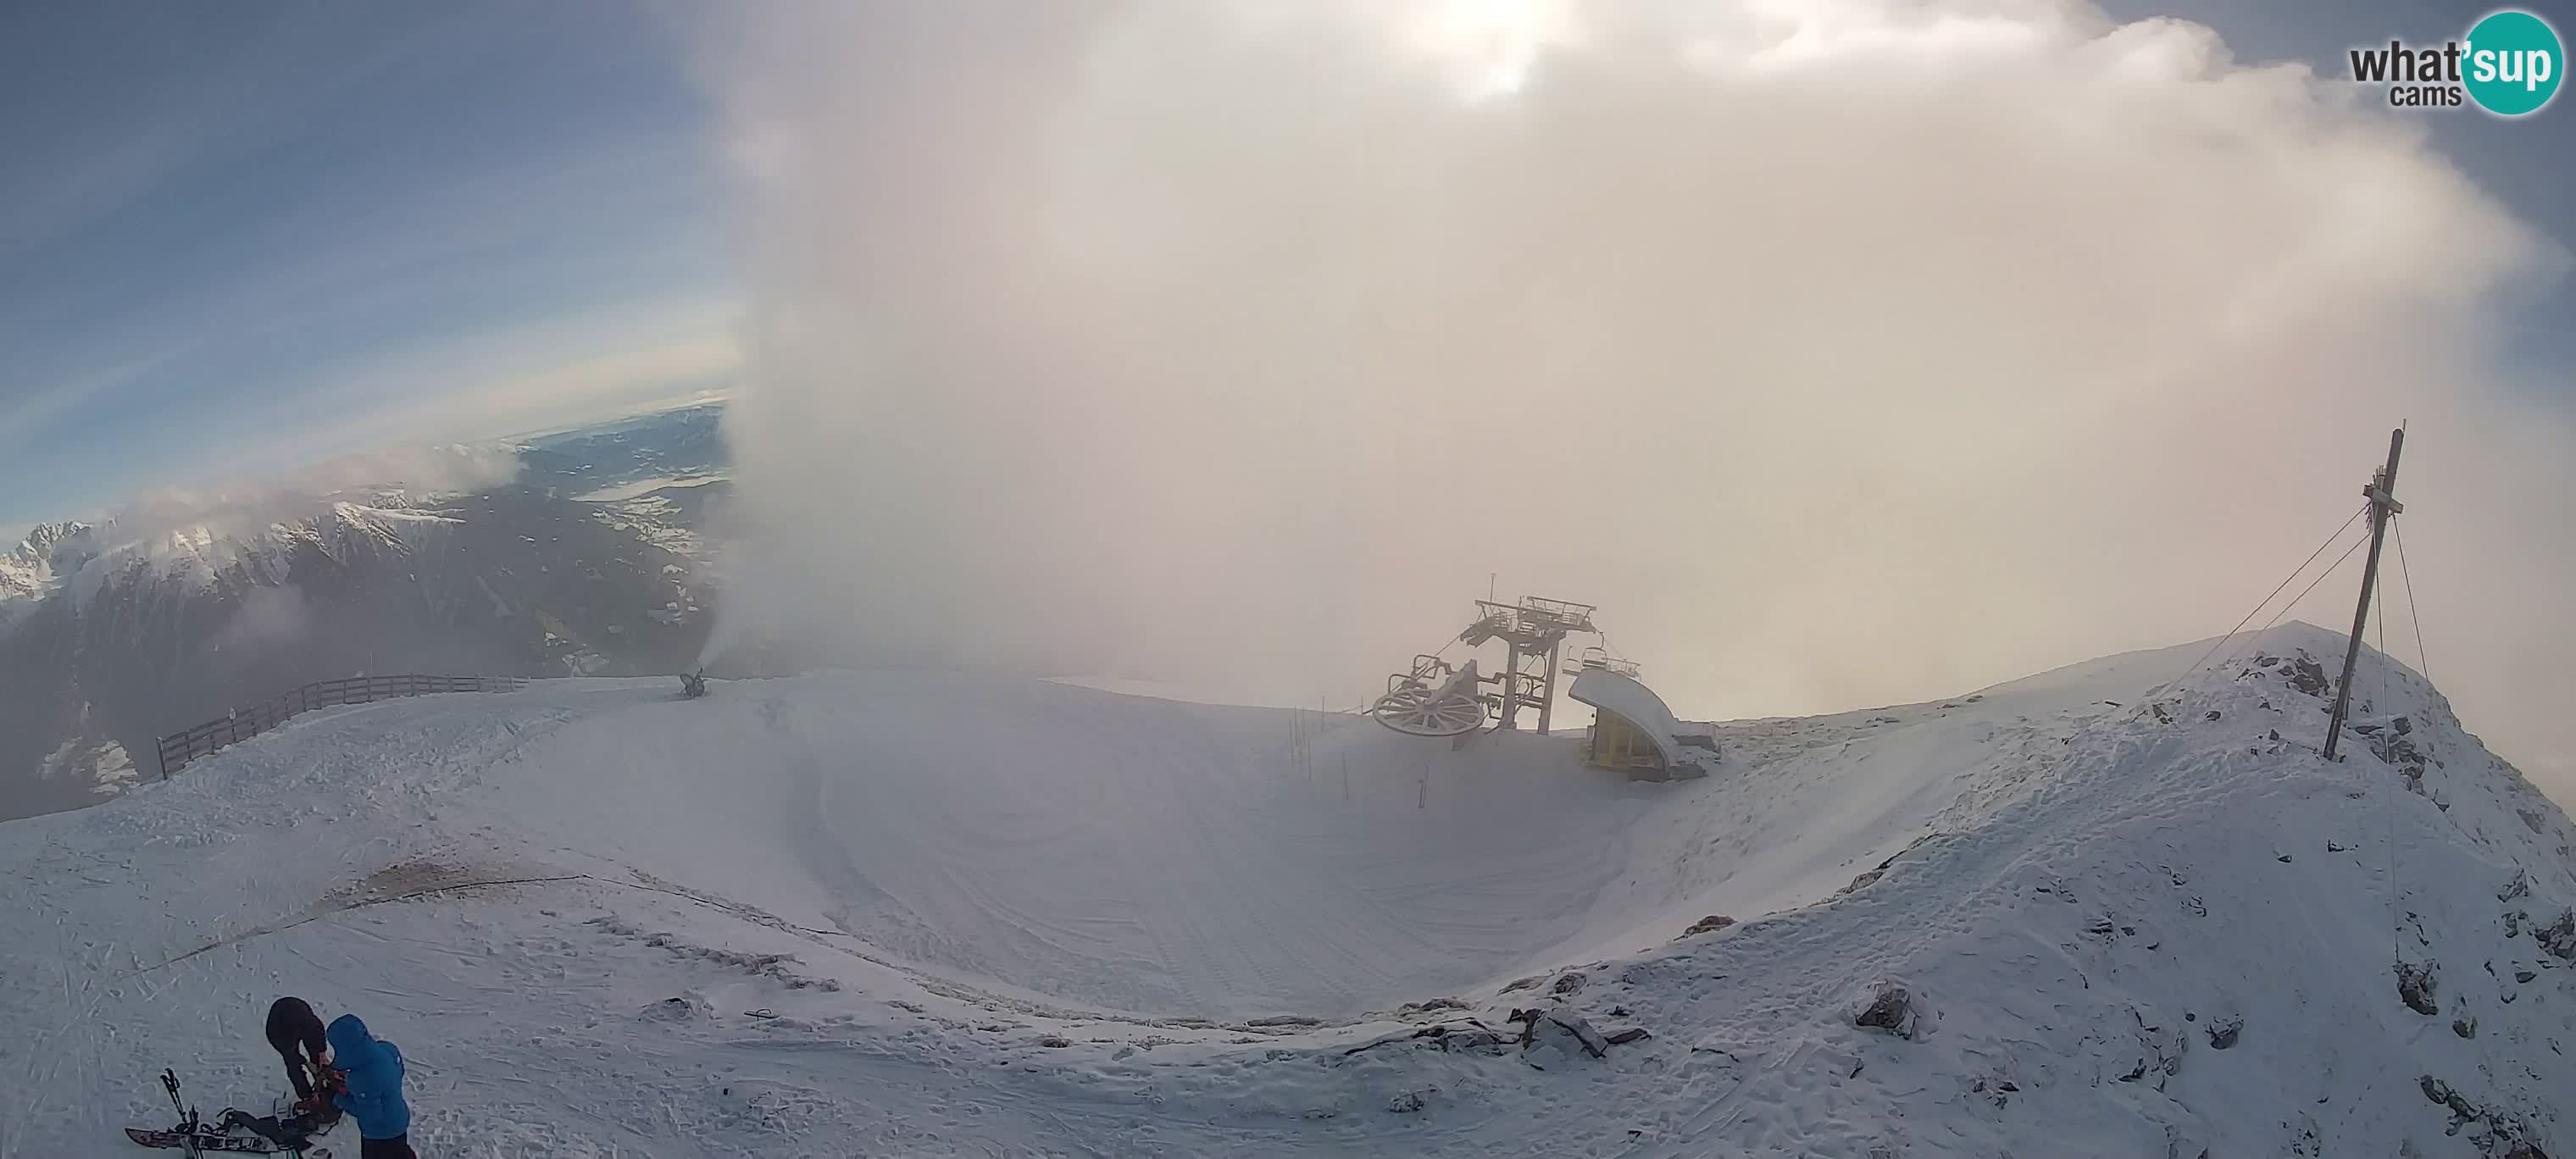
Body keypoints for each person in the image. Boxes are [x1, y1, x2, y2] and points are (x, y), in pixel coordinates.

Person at [326, 1013, 416, 1159]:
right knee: (400, 1151)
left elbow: (369, 1117)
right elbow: (391, 1077)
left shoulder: (361, 1080)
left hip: (381, 1133)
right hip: (399, 1117)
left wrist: (340, 1100)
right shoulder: (388, 1049)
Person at [263, 997, 331, 1106]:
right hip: (280, 1028)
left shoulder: (311, 1023)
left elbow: (318, 1033)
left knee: (317, 1058)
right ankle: (307, 1096)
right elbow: (292, 1055)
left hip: (298, 1007)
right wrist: (305, 1062)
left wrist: (321, 1053)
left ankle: (323, 1088)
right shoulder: (278, 1035)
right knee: (294, 1066)